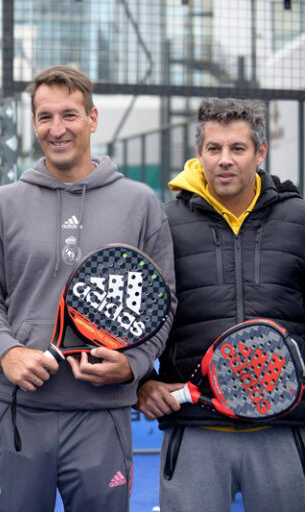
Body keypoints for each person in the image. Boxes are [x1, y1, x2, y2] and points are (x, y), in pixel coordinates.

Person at [0, 65, 176, 512]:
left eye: (69, 115)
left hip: (103, 417)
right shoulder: (3, 203)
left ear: (92, 118)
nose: (56, 129)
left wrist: (133, 364)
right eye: (44, 117)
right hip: (18, 412)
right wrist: (8, 352)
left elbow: (163, 300)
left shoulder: (140, 203)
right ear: (34, 122)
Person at [135, 98, 305, 512]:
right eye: (214, 149)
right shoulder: (163, 224)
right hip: (195, 429)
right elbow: (137, 320)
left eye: (237, 149)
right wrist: (142, 382)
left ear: (260, 152)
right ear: (200, 153)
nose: (224, 160)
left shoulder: (299, 219)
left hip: (283, 429)